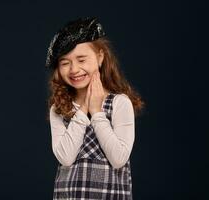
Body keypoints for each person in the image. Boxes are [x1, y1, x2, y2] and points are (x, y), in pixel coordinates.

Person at [45, 16, 145, 200]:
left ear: (99, 57)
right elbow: (65, 158)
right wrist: (84, 109)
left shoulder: (119, 103)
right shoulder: (59, 109)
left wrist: (97, 112)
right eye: (65, 63)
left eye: (81, 60)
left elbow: (118, 159)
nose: (74, 69)